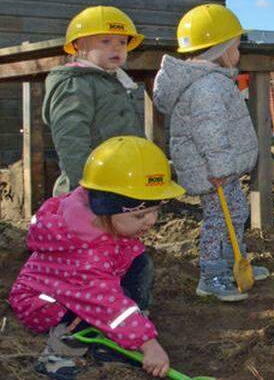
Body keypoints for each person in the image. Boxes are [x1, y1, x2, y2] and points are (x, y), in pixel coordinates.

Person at [8, 136, 185, 379]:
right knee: (87, 309)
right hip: (44, 302)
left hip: (94, 284)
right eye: (141, 215)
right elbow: (104, 302)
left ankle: (114, 340)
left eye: (156, 210)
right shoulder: (85, 253)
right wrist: (148, 344)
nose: (152, 221)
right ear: (106, 207)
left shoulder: (95, 213)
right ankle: (58, 354)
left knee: (140, 264)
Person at [152, 4, 268, 302]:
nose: (239, 53)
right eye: (237, 46)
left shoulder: (211, 82)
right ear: (223, 48)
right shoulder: (208, 86)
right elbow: (209, 131)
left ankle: (234, 265)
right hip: (214, 170)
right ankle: (211, 276)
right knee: (219, 219)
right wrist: (219, 167)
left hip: (219, 168)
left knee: (236, 212)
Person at [43, 6, 146, 194]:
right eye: (105, 41)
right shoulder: (75, 83)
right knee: (90, 223)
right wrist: (84, 182)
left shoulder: (114, 80)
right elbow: (70, 137)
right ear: (80, 46)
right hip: (90, 185)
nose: (116, 48)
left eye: (122, 42)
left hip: (120, 178)